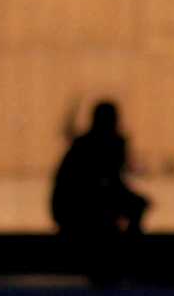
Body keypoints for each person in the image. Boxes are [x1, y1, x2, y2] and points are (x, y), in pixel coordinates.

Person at [50, 99, 151, 285]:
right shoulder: (98, 145)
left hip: (80, 206)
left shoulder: (88, 144)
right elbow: (102, 184)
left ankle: (128, 258)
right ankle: (129, 260)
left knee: (128, 208)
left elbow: (108, 183)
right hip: (79, 208)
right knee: (121, 210)